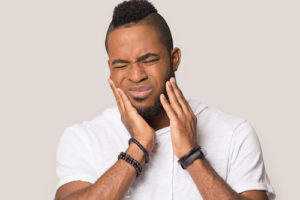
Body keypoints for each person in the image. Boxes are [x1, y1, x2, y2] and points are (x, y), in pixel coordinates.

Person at [55, 1, 275, 199]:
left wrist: (192, 156)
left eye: (148, 60)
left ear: (174, 59)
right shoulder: (83, 138)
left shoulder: (235, 134)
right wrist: (138, 146)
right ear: (110, 70)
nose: (136, 75)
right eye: (121, 65)